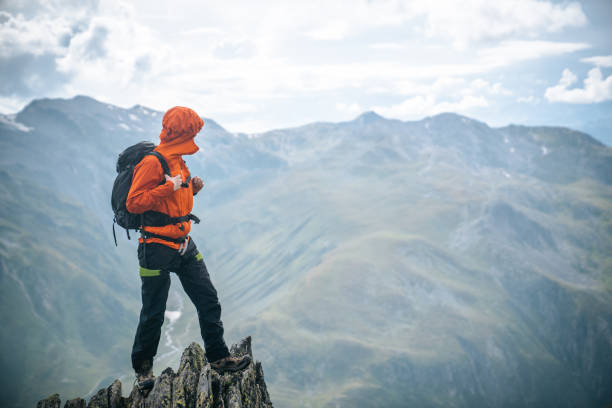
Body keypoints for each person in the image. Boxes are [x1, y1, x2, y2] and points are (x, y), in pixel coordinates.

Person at [126, 106, 250, 391]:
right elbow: (135, 202)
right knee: (154, 312)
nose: (195, 136)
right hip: (155, 247)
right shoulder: (152, 163)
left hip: (183, 243)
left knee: (208, 298)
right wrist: (169, 188)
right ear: (182, 132)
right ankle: (143, 372)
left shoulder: (179, 161)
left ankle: (218, 358)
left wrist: (190, 188)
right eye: (192, 131)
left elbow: (175, 201)